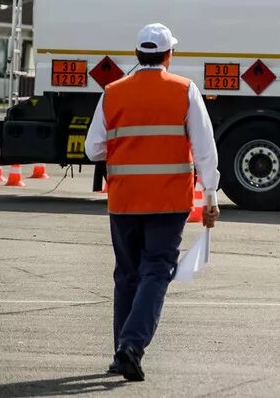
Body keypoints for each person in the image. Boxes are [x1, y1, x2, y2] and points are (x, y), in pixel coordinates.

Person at [85, 23, 220, 382]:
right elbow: (205, 150)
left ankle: (121, 352)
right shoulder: (184, 90)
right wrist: (210, 195)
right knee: (156, 272)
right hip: (169, 201)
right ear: (169, 55)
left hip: (125, 201)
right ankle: (130, 346)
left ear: (137, 55)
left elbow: (92, 148)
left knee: (126, 274)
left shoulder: (113, 92)